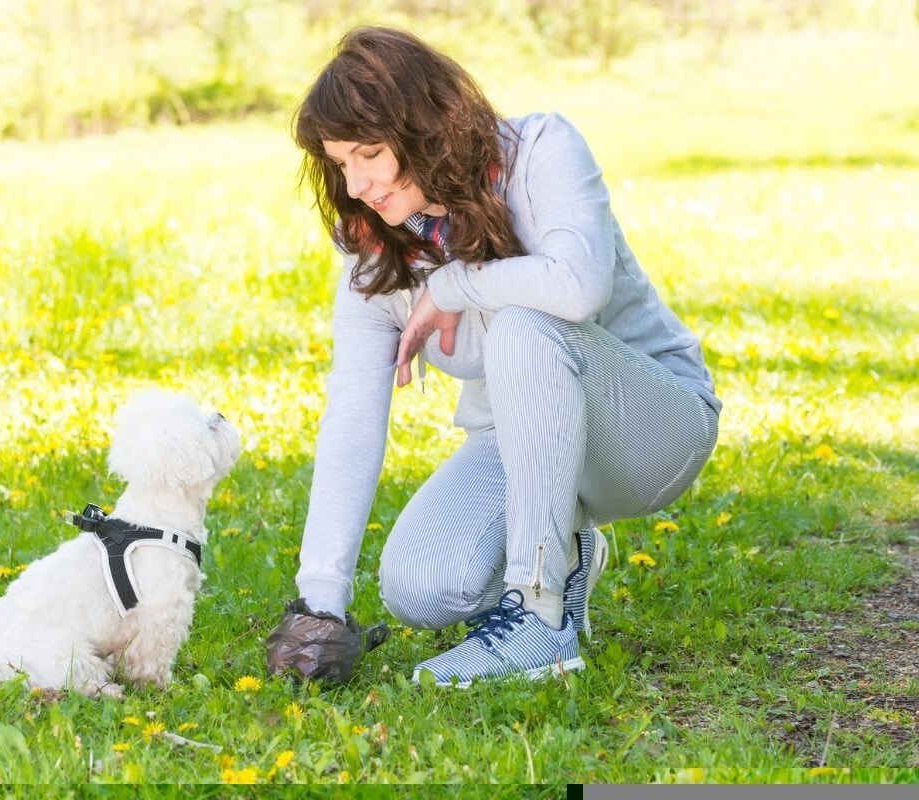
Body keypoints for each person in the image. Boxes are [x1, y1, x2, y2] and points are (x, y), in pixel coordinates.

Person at [264, 26, 721, 687]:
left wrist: (455, 283)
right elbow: (353, 418)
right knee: (420, 588)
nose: (356, 182)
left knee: (522, 324)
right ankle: (562, 549)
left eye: (369, 152)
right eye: (340, 162)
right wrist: (321, 599)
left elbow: (577, 284)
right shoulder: (377, 249)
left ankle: (539, 614)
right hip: (517, 440)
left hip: (651, 430)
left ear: (424, 126)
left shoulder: (542, 151)